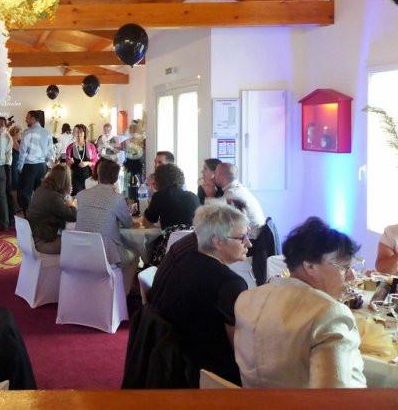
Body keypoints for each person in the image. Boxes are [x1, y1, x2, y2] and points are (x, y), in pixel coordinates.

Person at [234, 217, 366, 388]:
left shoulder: (247, 298)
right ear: (310, 266)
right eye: (344, 268)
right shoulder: (329, 313)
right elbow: (335, 397)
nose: (351, 277)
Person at [149, 204, 251, 386]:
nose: (249, 243)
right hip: (207, 375)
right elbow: (241, 350)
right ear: (217, 241)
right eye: (241, 238)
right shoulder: (229, 283)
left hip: (169, 363)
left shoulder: (183, 260)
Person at [75, 160, 135, 269]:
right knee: (134, 253)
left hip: (81, 251)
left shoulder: (81, 195)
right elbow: (128, 224)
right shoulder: (117, 198)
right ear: (116, 178)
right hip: (106, 254)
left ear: (98, 173)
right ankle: (121, 285)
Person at [26, 164, 77, 254]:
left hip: (32, 237)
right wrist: (71, 204)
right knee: (78, 245)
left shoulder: (40, 189)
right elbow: (73, 216)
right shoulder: (54, 197)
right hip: (42, 242)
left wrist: (65, 195)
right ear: (65, 181)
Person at [15, 110, 55, 212]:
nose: (26, 119)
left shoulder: (27, 132)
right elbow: (51, 152)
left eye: (27, 117)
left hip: (29, 167)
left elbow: (23, 152)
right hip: (42, 166)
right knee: (40, 192)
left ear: (33, 119)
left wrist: (19, 167)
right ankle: (40, 214)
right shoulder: (47, 133)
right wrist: (47, 165)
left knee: (26, 192)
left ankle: (28, 215)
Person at [143, 163, 200, 229]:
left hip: (170, 238)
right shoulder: (193, 196)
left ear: (159, 180)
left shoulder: (159, 196)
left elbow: (147, 222)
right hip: (191, 237)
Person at [214, 163, 265, 232]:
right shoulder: (240, 189)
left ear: (221, 176)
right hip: (257, 235)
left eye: (215, 173)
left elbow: (218, 220)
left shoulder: (232, 194)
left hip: (251, 239)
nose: (213, 176)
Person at [65, 124, 98, 195]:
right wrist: (69, 162)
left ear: (85, 133)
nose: (78, 134)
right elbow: (67, 165)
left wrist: (87, 163)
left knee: (88, 197)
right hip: (75, 177)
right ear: (73, 133)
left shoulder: (91, 146)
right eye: (76, 132)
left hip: (88, 177)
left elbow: (95, 162)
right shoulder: (70, 147)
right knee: (77, 197)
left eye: (81, 132)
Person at [8, 125, 22, 216]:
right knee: (14, 186)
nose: (21, 135)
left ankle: (15, 206)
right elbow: (22, 152)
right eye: (20, 133)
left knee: (15, 186)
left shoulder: (13, 141)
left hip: (14, 165)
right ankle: (15, 206)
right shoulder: (14, 142)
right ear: (16, 133)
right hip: (14, 166)